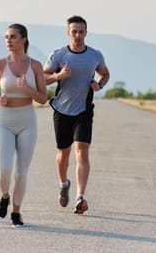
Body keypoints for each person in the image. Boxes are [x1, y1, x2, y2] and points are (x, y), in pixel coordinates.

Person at [43, 15, 110, 214]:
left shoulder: (95, 55)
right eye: (74, 32)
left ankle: (80, 197)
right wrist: (59, 76)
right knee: (63, 153)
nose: (78, 35)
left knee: (81, 150)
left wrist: (100, 84)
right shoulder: (59, 55)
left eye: (81, 32)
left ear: (86, 33)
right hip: (62, 110)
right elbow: (42, 79)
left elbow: (105, 74)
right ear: (68, 33)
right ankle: (64, 184)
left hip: (84, 110)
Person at [0, 23, 47, 227]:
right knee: (3, 169)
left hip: (27, 120)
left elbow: (43, 99)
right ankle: (4, 196)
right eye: (6, 37)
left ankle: (16, 212)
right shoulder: (0, 64)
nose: (8, 40)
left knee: (21, 172)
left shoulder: (35, 66)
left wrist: (27, 88)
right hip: (5, 121)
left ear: (24, 40)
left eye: (13, 37)